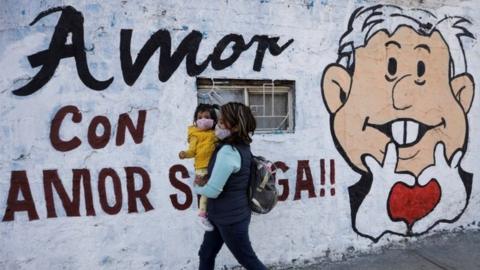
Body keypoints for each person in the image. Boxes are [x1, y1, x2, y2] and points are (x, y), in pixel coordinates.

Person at [194, 102, 267, 270]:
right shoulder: (242, 147)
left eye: (222, 121)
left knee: (249, 261)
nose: (218, 124)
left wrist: (195, 187)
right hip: (222, 215)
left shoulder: (229, 152)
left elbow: (212, 191)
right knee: (206, 254)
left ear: (234, 127)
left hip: (230, 220)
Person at [179, 103, 218, 231]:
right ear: (195, 120)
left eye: (206, 117)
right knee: (205, 193)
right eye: (200, 117)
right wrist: (185, 154)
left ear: (213, 119)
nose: (203, 120)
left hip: (215, 167)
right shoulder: (195, 134)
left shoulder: (215, 133)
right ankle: (202, 216)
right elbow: (192, 151)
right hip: (202, 168)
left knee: (218, 189)